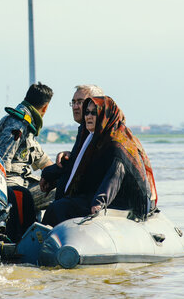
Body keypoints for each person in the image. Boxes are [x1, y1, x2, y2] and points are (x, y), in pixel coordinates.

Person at [42, 96, 158, 227]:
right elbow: (76, 165)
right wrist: (47, 174)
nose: (88, 117)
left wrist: (98, 203)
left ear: (105, 115)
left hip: (121, 201)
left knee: (58, 208)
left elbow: (115, 176)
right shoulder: (94, 139)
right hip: (98, 195)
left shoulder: (117, 143)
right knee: (61, 203)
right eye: (87, 112)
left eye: (94, 113)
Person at [0, 82, 55, 211]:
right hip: (9, 186)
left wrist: (58, 175)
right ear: (45, 107)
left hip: (21, 181)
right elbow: (1, 162)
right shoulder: (18, 124)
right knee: (60, 192)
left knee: (62, 185)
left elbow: (42, 159)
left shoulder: (27, 125)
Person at [40, 84, 105, 199]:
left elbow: (75, 164)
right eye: (73, 102)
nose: (75, 106)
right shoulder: (84, 130)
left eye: (80, 102)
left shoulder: (97, 131)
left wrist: (47, 173)